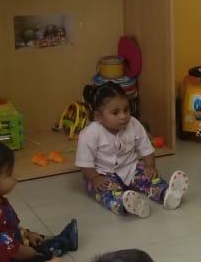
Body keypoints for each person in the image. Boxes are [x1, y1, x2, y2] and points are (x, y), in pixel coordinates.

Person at [76, 83, 188, 218]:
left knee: (149, 177)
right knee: (105, 190)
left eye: (126, 110)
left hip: (130, 168)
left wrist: (150, 166)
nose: (123, 116)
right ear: (98, 116)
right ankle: (127, 204)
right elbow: (85, 161)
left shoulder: (134, 124)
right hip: (102, 173)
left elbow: (145, 147)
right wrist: (94, 177)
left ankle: (166, 194)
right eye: (115, 113)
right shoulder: (90, 134)